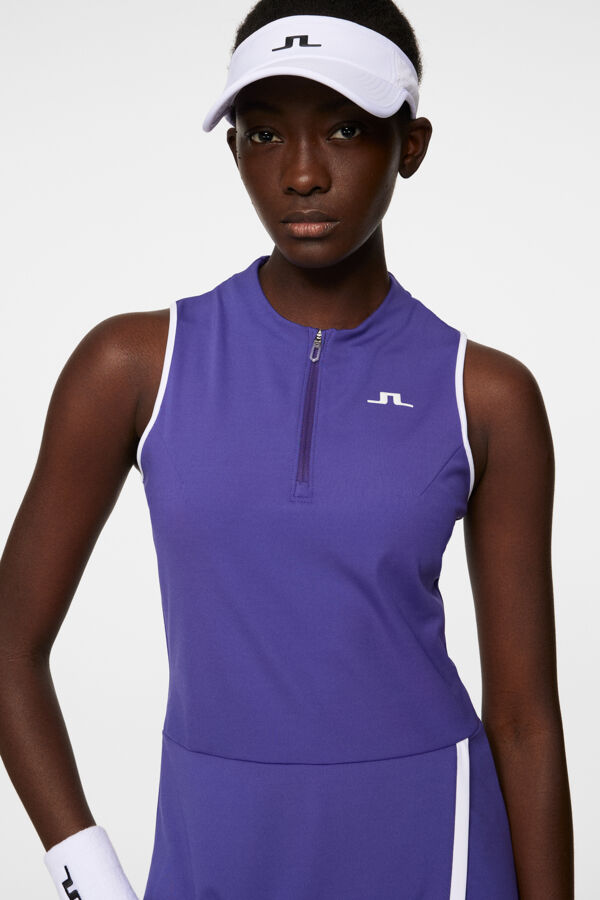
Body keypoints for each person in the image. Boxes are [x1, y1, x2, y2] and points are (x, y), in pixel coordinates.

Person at [0, 1, 574, 898]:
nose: (302, 174)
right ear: (232, 149)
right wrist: (86, 874)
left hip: (432, 840)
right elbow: (9, 642)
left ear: (411, 146)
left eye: (345, 129)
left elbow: (527, 719)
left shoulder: (484, 393)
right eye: (265, 134)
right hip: (214, 840)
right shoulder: (134, 366)